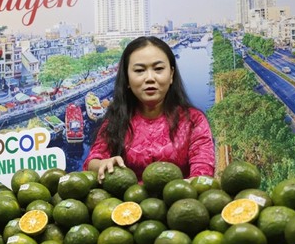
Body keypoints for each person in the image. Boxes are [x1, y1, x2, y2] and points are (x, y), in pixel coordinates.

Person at [84, 36, 215, 181]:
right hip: (127, 203)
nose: (150, 78)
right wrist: (103, 164)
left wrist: (186, 186)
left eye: (158, 69)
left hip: (181, 200)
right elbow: (93, 161)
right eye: (140, 70)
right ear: (127, 79)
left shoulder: (193, 120)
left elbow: (203, 172)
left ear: (171, 74)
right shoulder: (116, 120)